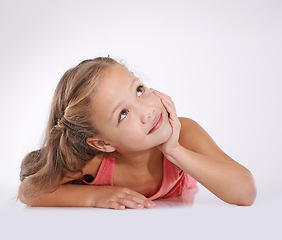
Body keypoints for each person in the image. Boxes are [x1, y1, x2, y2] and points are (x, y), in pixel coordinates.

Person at [18, 57, 257, 210]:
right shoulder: (94, 163)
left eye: (139, 90)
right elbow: (29, 191)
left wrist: (174, 150)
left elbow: (245, 192)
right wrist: (93, 197)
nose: (147, 112)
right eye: (123, 114)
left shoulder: (185, 134)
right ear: (102, 143)